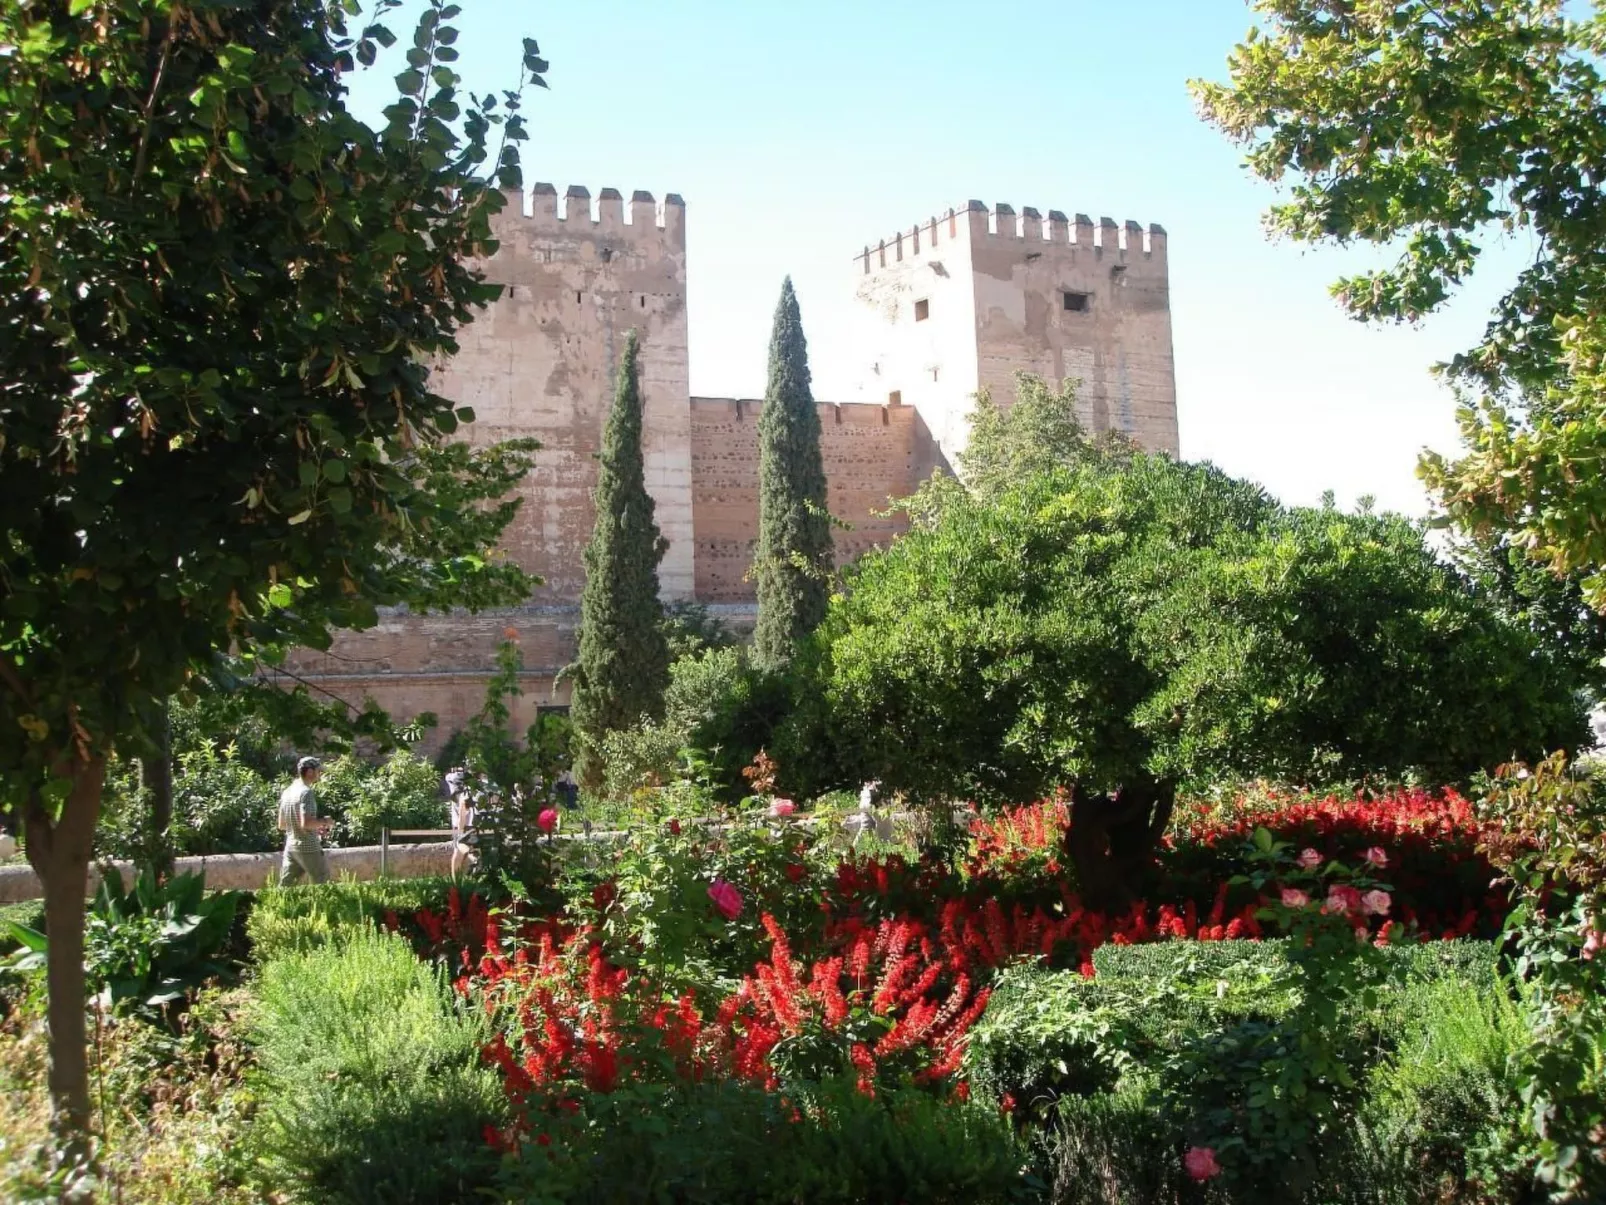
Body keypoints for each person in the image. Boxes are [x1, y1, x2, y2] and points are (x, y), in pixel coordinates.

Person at [277, 756, 331, 886]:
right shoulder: (306, 793)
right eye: (318, 771)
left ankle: (276, 905)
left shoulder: (288, 791)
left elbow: (282, 824)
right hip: (308, 846)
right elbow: (306, 823)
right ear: (309, 772)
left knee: (286, 886)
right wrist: (325, 821)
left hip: (291, 846)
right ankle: (323, 906)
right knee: (322, 880)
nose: (320, 774)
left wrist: (315, 827)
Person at [449, 778, 478, 881]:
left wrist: (460, 832)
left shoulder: (463, 794)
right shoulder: (474, 791)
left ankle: (455, 882)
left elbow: (463, 814)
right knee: (468, 852)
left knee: (458, 853)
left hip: (467, 828)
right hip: (474, 826)